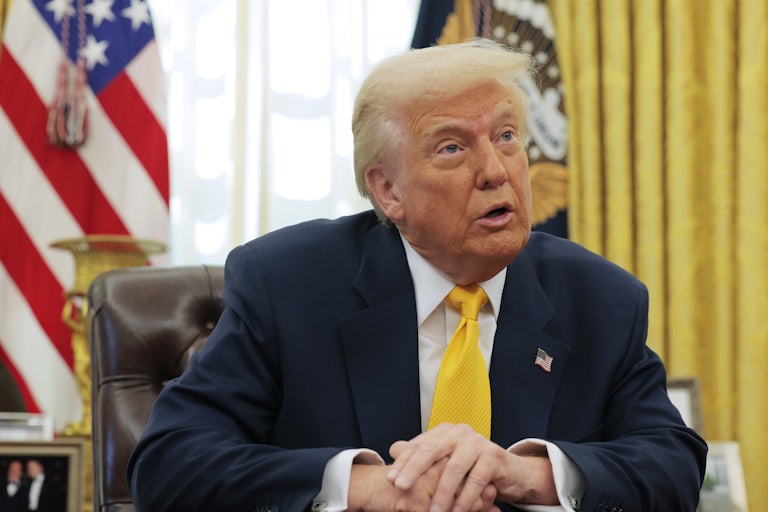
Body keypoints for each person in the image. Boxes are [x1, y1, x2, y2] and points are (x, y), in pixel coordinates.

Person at [127, 39, 707, 511]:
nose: (495, 171)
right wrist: (372, 489)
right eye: (453, 147)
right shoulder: (287, 283)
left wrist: (523, 473)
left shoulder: (600, 299)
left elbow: (674, 465)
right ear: (388, 190)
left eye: (506, 137)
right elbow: (170, 463)